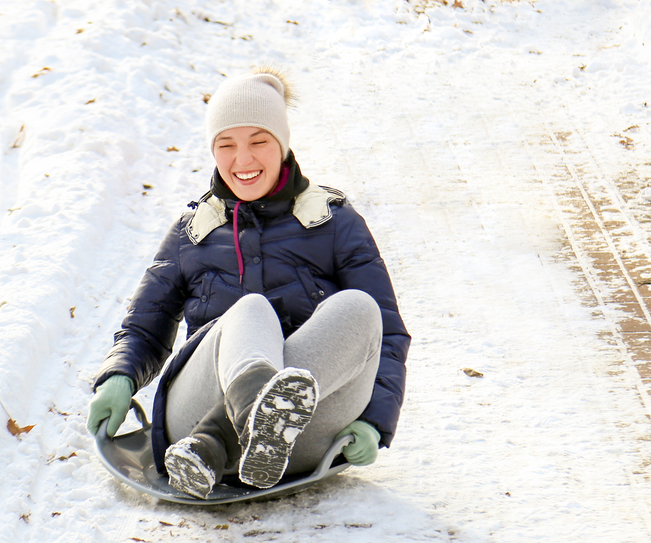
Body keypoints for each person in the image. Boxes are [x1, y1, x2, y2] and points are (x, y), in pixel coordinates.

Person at [87, 67, 410, 499]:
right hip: (193, 419)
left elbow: (385, 333)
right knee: (252, 310)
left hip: (302, 436)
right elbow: (147, 323)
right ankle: (223, 431)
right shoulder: (194, 230)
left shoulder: (334, 223)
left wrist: (374, 419)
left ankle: (223, 442)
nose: (243, 160)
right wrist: (119, 376)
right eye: (227, 145)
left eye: (259, 142)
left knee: (361, 308)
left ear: (282, 144)